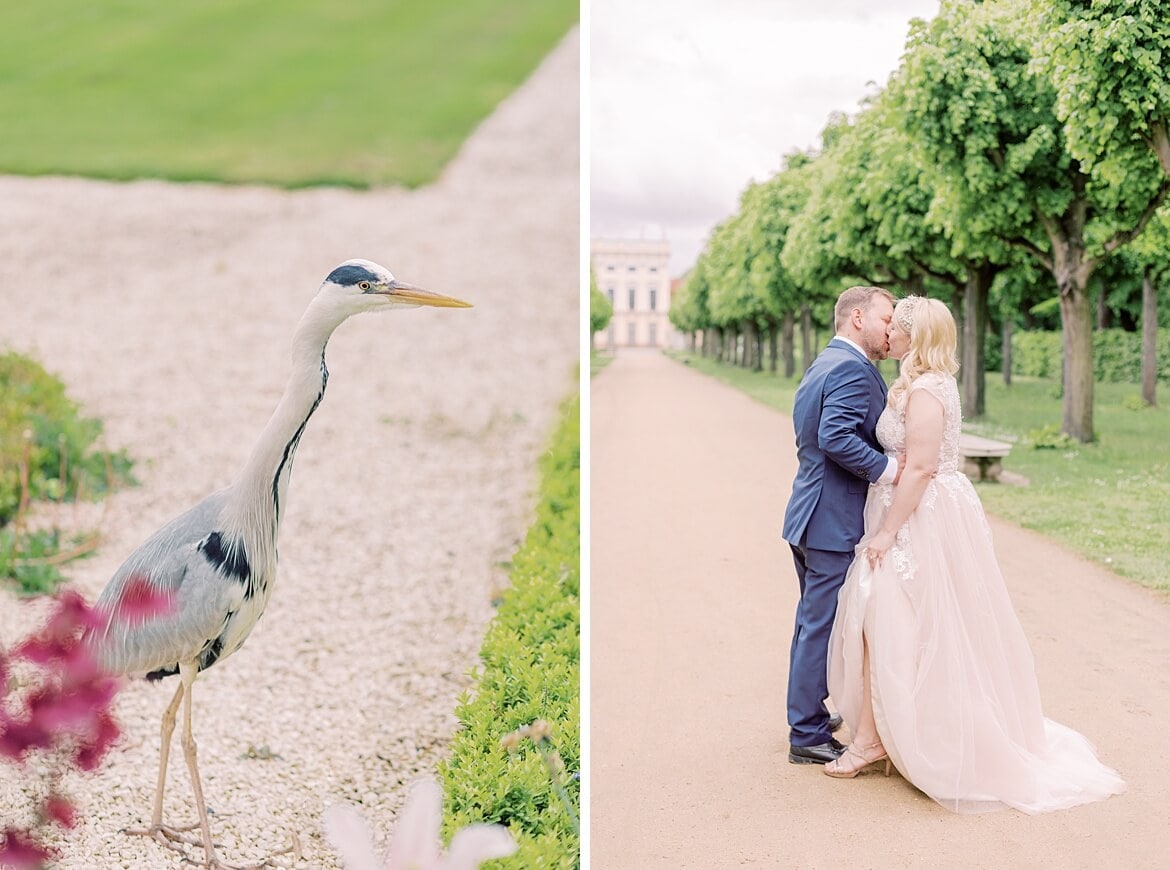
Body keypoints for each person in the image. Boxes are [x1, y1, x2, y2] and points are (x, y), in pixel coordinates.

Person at [824, 296, 1126, 813]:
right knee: (899, 625)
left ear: (912, 338)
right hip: (914, 511)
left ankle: (879, 740)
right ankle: (886, 732)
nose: (888, 333)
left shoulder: (926, 391)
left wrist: (885, 534)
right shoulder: (919, 384)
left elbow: (919, 470)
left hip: (916, 519)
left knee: (891, 621)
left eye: (896, 327)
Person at [782, 285, 899, 765]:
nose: (890, 329)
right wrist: (889, 469)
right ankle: (806, 733)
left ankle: (808, 710)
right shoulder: (852, 367)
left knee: (812, 622)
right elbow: (834, 436)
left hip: (809, 512)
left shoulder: (826, 361)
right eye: (885, 318)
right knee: (819, 623)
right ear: (857, 317)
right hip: (830, 518)